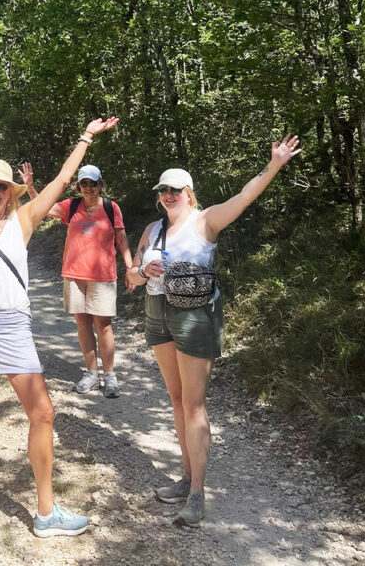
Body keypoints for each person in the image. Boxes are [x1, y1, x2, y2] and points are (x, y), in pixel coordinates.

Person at [0, 117, 119, 538]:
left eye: (1, 187)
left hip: (13, 327)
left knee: (42, 412)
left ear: (11, 193)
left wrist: (86, 137)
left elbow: (62, 178)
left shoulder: (23, 221)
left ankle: (45, 511)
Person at [125, 134, 301, 527]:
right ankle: (185, 477)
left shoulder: (206, 221)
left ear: (189, 193)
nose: (168, 195)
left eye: (175, 190)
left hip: (195, 316)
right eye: (163, 190)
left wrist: (274, 165)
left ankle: (197, 494)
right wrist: (141, 271)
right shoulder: (152, 231)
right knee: (174, 398)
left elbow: (244, 197)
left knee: (193, 404)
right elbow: (130, 277)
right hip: (158, 310)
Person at [21, 163, 134, 398]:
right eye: (84, 183)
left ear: (100, 184)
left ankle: (110, 376)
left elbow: (121, 239)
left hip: (102, 276)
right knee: (82, 324)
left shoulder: (111, 208)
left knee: (103, 325)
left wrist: (130, 266)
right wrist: (31, 187)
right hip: (73, 275)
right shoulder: (71, 206)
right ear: (78, 186)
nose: (89, 188)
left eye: (93, 183)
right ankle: (92, 373)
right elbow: (44, 208)